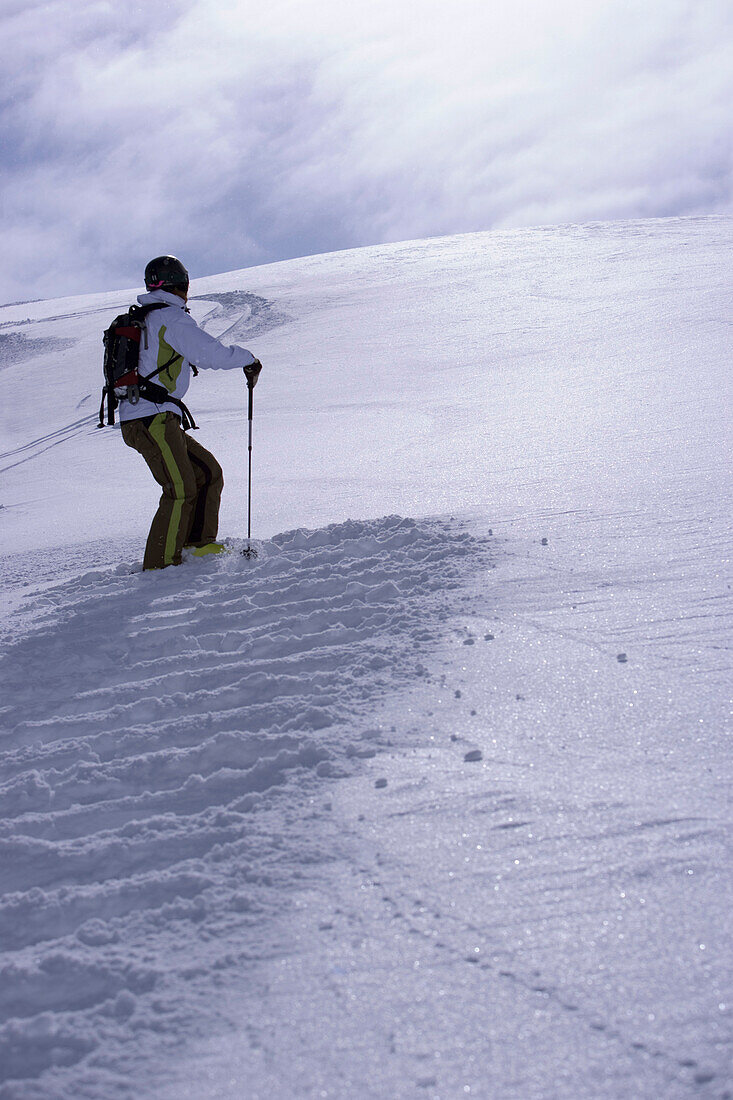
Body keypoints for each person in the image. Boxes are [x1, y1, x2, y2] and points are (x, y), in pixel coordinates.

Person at [119, 255, 261, 570]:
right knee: (180, 488)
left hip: (152, 417)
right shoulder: (169, 318)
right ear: (182, 285)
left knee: (208, 473)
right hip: (153, 418)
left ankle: (197, 546)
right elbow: (209, 353)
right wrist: (248, 359)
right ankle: (160, 566)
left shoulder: (148, 317)